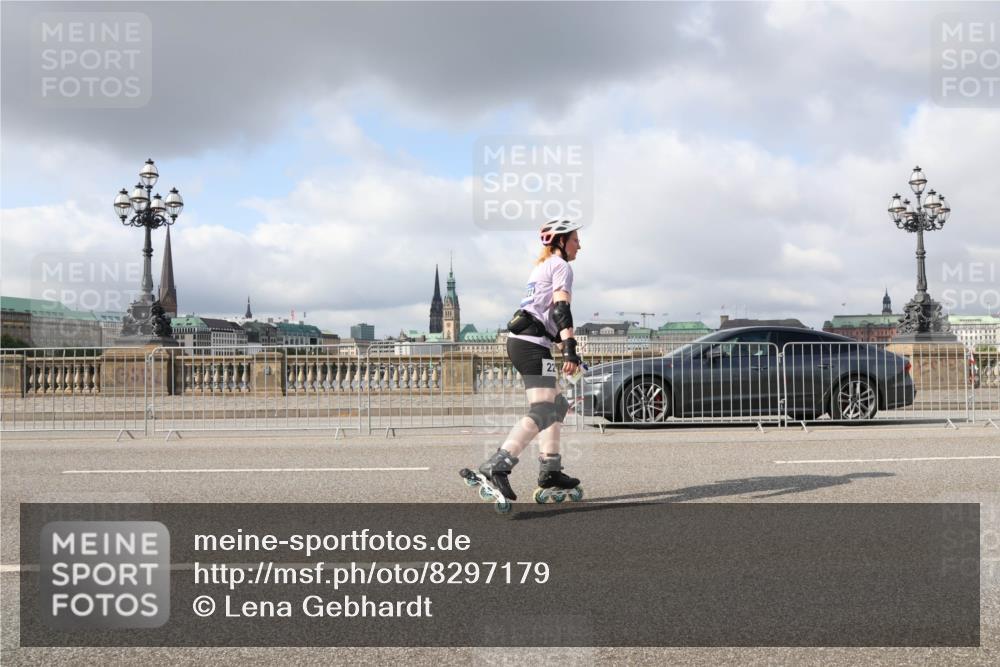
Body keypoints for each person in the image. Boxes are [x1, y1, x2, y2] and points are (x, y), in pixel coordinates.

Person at [475, 219, 584, 502]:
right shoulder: (561, 266)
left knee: (557, 404)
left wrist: (566, 350)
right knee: (544, 408)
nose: (579, 245)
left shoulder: (541, 267)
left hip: (529, 342)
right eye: (575, 240)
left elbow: (545, 317)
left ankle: (551, 469)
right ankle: (499, 463)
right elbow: (561, 310)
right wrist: (570, 346)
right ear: (561, 241)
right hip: (530, 345)